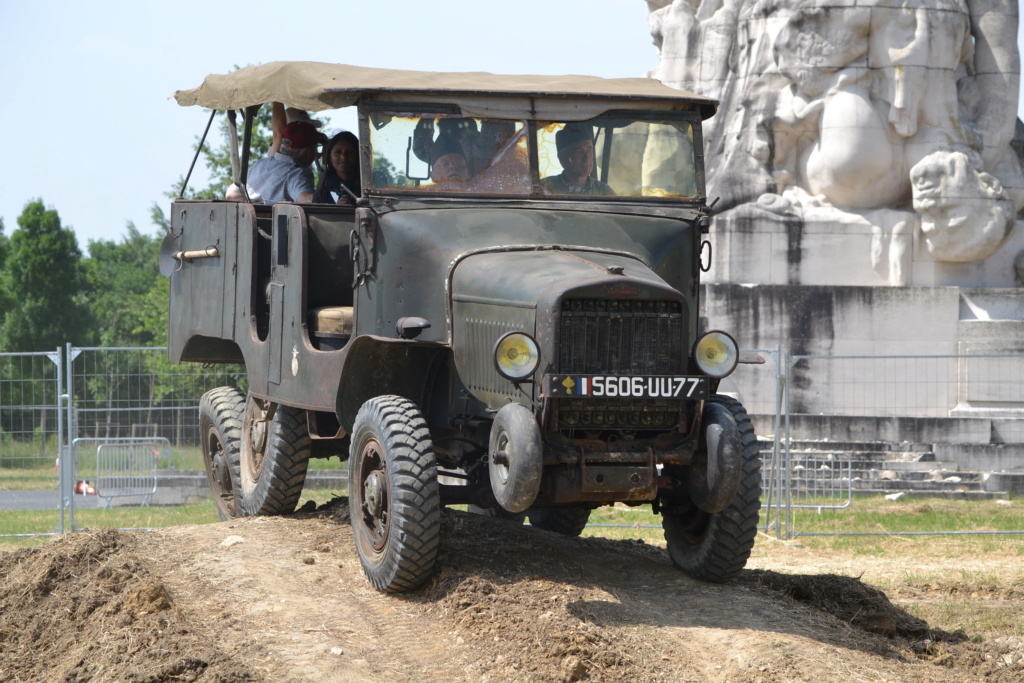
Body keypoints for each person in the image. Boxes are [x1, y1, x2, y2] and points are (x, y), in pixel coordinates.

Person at [227, 102, 326, 203]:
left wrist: (252, 204)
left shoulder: (260, 164)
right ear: (310, 152)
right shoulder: (297, 174)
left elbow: (230, 194)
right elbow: (305, 198)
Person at [541, 123, 614, 195]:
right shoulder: (545, 188)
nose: (586, 158)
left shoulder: (604, 191)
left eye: (589, 150)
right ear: (562, 158)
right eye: (578, 152)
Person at [313, 131, 361, 204]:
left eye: (350, 152)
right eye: (338, 152)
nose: (343, 157)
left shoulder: (367, 187)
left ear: (358, 156)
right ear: (330, 156)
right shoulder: (322, 192)